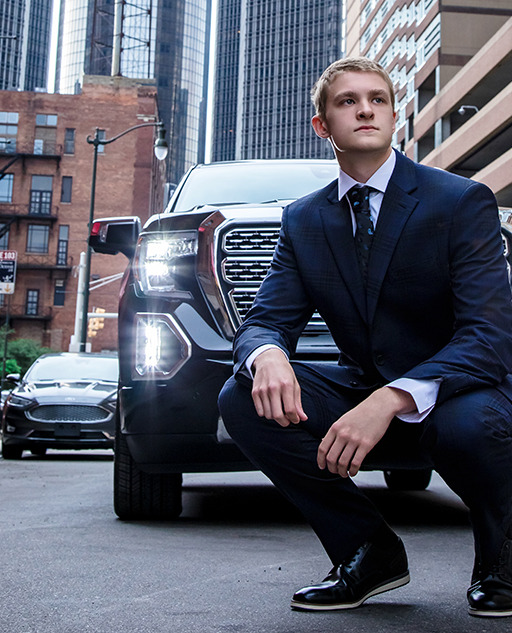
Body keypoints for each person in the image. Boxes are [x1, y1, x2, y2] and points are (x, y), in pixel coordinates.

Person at [218, 57, 512, 618]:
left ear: (394, 116)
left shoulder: (460, 201)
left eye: (377, 99)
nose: (365, 109)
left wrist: (393, 396)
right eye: (348, 101)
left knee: (472, 422)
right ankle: (367, 552)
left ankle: (503, 559)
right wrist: (268, 354)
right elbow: (266, 318)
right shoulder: (305, 220)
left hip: (462, 396)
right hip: (363, 393)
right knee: (242, 394)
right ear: (322, 126)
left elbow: (489, 337)